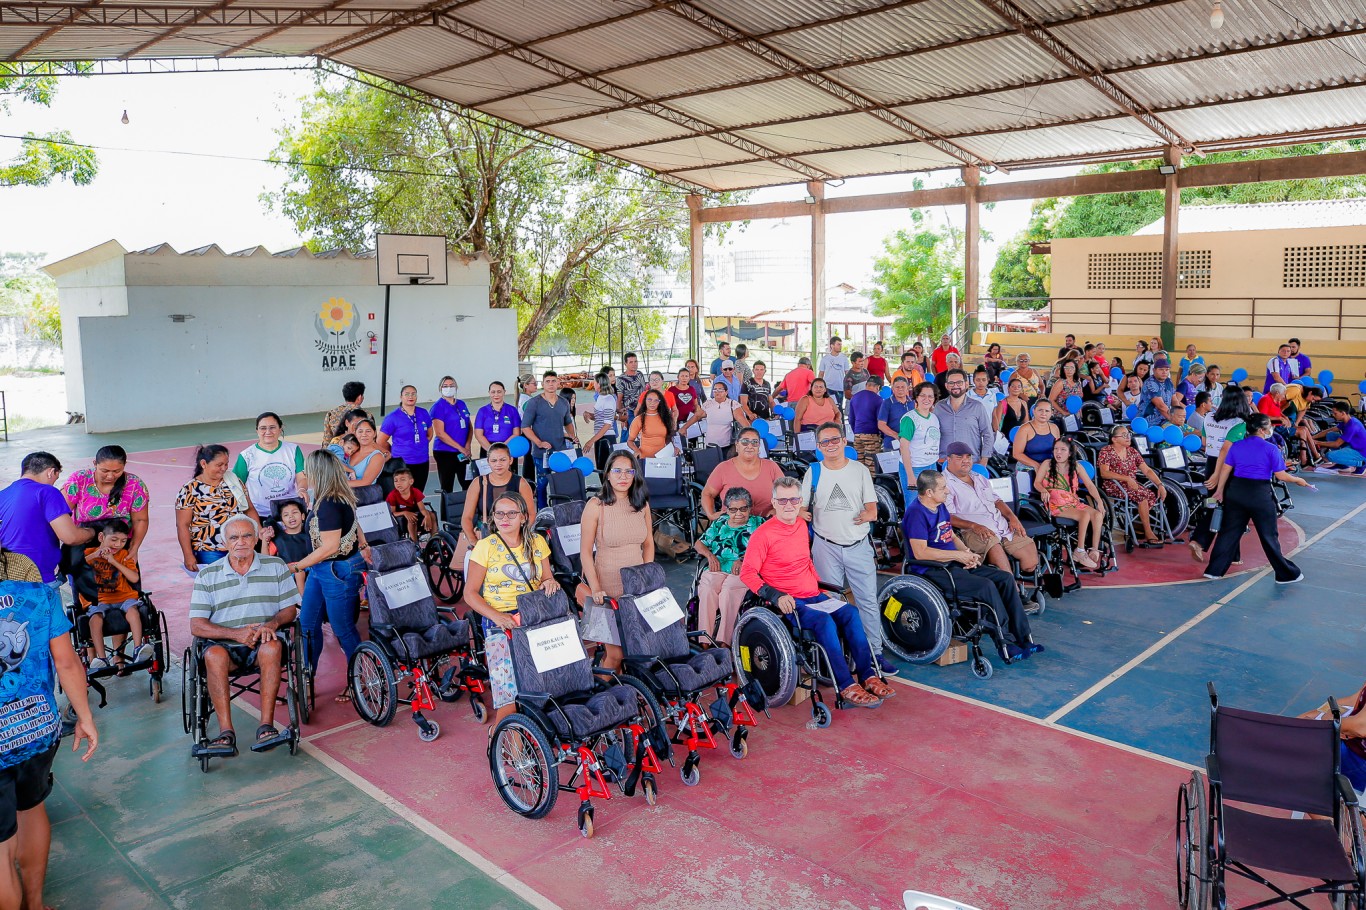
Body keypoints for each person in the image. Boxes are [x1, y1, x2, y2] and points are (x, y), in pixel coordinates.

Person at [739, 476, 888, 707]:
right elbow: (747, 573)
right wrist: (775, 596)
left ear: (800, 501)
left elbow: (806, 562)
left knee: (851, 613)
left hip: (814, 595)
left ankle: (867, 675)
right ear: (774, 502)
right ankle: (846, 684)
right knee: (824, 621)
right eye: (783, 500)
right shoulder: (763, 534)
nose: (789, 505)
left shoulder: (800, 526)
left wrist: (820, 586)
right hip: (789, 601)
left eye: (794, 500)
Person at [0, 580, 97, 910]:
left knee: (0, 851)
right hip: (37, 728)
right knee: (31, 807)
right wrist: (84, 716)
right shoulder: (39, 594)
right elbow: (67, 661)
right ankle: (36, 904)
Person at [188, 512, 299, 754]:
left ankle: (266, 727)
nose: (241, 542)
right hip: (225, 646)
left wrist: (272, 624)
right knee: (213, 656)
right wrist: (236, 634)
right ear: (224, 542)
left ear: (256, 538)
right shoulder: (208, 575)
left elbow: (290, 609)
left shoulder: (275, 566)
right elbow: (196, 625)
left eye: (247, 536)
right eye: (234, 537)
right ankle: (226, 733)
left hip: (263, 641)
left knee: (273, 647)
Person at [901, 470, 1037, 663]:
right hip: (932, 569)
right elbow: (921, 552)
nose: (948, 491)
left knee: (1004, 578)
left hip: (953, 562)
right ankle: (1006, 642)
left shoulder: (939, 507)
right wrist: (958, 555)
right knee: (986, 586)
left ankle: (1024, 637)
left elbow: (951, 535)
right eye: (943, 488)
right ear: (929, 492)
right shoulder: (916, 513)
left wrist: (967, 552)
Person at [802, 422, 894, 674]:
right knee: (829, 603)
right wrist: (802, 515)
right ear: (818, 447)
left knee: (867, 601)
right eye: (824, 442)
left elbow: (873, 509)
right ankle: (838, 655)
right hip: (825, 546)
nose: (830, 445)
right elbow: (802, 507)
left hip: (858, 546)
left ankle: (875, 653)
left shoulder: (859, 470)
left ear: (844, 441)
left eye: (834, 440)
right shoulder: (813, 471)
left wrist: (867, 515)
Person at [464, 490, 559, 726]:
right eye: (499, 514)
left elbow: (547, 577)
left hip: (534, 618)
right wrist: (497, 617)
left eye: (512, 513)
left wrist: (550, 581)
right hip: (500, 622)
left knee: (540, 681)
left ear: (524, 517)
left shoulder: (537, 542)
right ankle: (502, 741)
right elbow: (470, 593)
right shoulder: (485, 546)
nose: (505, 519)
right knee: (507, 689)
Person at [291, 451, 367, 700]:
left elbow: (330, 547)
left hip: (335, 569)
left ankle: (360, 679)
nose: (305, 475)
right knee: (308, 623)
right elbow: (356, 527)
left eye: (308, 471)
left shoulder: (330, 503)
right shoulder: (332, 497)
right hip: (324, 569)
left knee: (342, 627)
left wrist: (298, 566)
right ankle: (306, 673)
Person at [1204, 413, 1311, 582]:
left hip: (1236, 491)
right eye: (1269, 426)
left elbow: (1225, 470)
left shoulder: (1237, 446)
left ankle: (1214, 570)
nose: (1271, 429)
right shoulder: (1271, 449)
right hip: (1259, 494)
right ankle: (1285, 574)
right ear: (1262, 430)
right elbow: (1281, 476)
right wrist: (1298, 480)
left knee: (1229, 532)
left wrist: (1219, 491)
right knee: (1268, 536)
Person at [580, 451, 653, 671]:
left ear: (635, 475)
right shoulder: (595, 505)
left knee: (640, 647)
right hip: (606, 588)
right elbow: (585, 552)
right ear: (608, 475)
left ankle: (627, 693)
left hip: (636, 587)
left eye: (629, 471)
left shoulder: (642, 504)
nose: (623, 476)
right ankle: (605, 698)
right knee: (616, 655)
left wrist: (648, 578)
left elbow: (649, 543)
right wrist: (596, 589)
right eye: (617, 471)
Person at [0, 453, 95, 587]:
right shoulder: (47, 492)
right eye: (55, 479)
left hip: (6, 579)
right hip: (37, 577)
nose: (53, 483)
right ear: (50, 472)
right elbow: (70, 537)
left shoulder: (2, 495)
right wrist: (92, 532)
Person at [943, 443, 1039, 576]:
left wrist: (1012, 518)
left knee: (1030, 564)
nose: (966, 460)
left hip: (1001, 526)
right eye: (959, 457)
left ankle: (1010, 581)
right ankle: (1013, 590)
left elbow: (997, 500)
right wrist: (974, 525)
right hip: (973, 531)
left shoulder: (979, 477)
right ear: (949, 459)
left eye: (969, 457)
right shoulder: (944, 483)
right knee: (998, 554)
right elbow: (947, 516)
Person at [1189, 385, 1254, 562]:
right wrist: (1219, 475)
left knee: (1214, 505)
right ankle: (1203, 542)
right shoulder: (1238, 423)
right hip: (1227, 467)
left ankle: (1207, 543)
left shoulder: (1209, 417)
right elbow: (1226, 450)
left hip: (1209, 462)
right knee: (1233, 510)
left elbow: (1203, 441)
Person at [80, 519, 151, 673]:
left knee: (133, 611)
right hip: (99, 599)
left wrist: (113, 561)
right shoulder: (88, 554)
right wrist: (94, 556)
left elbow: (134, 578)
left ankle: (138, 648)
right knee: (95, 618)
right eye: (114, 540)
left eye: (123, 541)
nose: (118, 545)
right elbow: (75, 568)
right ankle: (102, 658)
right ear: (101, 538)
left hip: (124, 597)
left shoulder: (124, 554)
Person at [693, 487, 762, 644]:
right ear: (726, 509)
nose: (738, 514)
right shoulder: (720, 522)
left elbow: (768, 549)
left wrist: (744, 559)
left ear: (750, 508)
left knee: (728, 591)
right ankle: (704, 641)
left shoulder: (758, 524)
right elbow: (698, 544)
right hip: (716, 568)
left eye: (743, 509)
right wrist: (710, 556)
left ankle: (725, 642)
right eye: (733, 510)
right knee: (708, 589)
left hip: (744, 570)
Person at [59, 445, 150, 562]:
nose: (110, 476)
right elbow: (61, 514)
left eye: (117, 471)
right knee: (85, 578)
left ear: (124, 465)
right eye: (105, 471)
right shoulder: (79, 480)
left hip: (118, 545)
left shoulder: (134, 484)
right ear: (95, 463)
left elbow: (140, 520)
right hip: (84, 542)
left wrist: (134, 547)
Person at [175, 445, 255, 574]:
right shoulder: (189, 490)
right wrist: (188, 555)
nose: (224, 468)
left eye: (226, 464)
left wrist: (257, 535)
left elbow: (249, 509)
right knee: (218, 586)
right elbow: (182, 525)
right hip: (210, 550)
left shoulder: (233, 481)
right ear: (203, 464)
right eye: (219, 465)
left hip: (240, 546)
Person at [1035, 437, 1106, 570]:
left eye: (1063, 449)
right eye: (1056, 449)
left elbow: (1090, 486)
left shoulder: (1077, 466)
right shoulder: (1047, 464)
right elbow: (1037, 482)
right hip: (1055, 504)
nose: (1058, 452)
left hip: (1072, 502)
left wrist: (1100, 502)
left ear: (1070, 452)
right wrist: (1043, 490)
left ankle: (1094, 550)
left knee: (1097, 514)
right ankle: (1079, 551)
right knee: (1084, 515)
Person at [1097, 425, 1167, 545]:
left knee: (1151, 493)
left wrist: (1160, 484)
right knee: (1142, 497)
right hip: (1114, 485)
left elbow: (1147, 470)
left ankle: (1138, 524)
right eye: (1124, 435)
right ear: (1114, 439)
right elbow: (1104, 473)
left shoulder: (1132, 451)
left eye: (1128, 434)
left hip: (1131, 485)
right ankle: (1148, 532)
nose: (1128, 437)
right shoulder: (1106, 451)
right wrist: (1127, 478)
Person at [699, 427, 785, 520]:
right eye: (745, 441)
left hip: (767, 523)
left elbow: (786, 493)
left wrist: (777, 510)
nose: (750, 446)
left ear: (759, 446)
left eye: (754, 442)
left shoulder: (771, 466)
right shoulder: (723, 468)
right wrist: (711, 514)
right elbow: (707, 494)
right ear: (737, 445)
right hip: (733, 526)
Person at [233, 411, 306, 519]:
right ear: (257, 431)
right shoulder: (246, 455)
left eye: (272, 427)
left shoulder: (293, 449)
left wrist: (302, 489)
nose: (268, 432)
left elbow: (302, 477)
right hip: (261, 514)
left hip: (290, 512)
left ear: (280, 429)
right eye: (263, 428)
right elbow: (236, 485)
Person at [460, 443, 535, 545]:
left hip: (514, 537)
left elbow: (530, 514)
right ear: (488, 462)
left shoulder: (521, 483)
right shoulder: (478, 483)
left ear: (511, 460)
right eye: (494, 460)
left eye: (503, 460)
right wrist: (474, 542)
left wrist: (521, 536)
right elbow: (466, 518)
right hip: (486, 538)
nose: (498, 464)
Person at [522, 371, 577, 509]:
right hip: (541, 453)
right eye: (548, 381)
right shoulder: (534, 403)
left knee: (561, 482)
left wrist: (572, 435)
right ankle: (542, 509)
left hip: (561, 451)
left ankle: (561, 508)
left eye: (554, 381)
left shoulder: (564, 402)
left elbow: (568, 422)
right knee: (542, 483)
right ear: (543, 384)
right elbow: (525, 427)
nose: (551, 384)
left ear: (558, 383)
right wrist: (539, 442)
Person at [379, 385, 434, 493]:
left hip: (422, 461)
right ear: (401, 397)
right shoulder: (393, 417)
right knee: (403, 494)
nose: (411, 396)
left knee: (418, 493)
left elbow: (429, 434)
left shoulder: (423, 413)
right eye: (407, 394)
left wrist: (419, 446)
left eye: (413, 393)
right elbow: (380, 441)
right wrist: (392, 452)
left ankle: (416, 510)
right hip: (403, 463)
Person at [934, 369, 993, 463]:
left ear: (966, 384)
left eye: (959, 382)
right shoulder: (939, 407)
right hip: (944, 463)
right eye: (951, 383)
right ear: (946, 386)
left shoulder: (977, 407)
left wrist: (984, 461)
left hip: (971, 463)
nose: (955, 386)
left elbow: (988, 434)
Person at [431, 376, 475, 492]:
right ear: (440, 388)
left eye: (451, 385)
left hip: (463, 452)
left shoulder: (461, 404)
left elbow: (469, 426)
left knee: (468, 485)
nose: (449, 388)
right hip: (445, 452)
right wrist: (461, 448)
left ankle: (468, 510)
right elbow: (440, 433)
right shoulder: (437, 407)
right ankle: (446, 510)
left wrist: (467, 445)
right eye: (445, 386)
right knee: (447, 487)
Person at [261, 499, 312, 595]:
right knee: (298, 573)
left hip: (309, 571)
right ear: (282, 521)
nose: (291, 516)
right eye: (286, 515)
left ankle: (303, 602)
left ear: (303, 516)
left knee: (300, 572)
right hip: (287, 573)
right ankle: (302, 601)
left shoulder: (309, 535)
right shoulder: (278, 539)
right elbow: (265, 559)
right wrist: (265, 540)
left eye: (294, 512)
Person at [684, 379, 749, 449]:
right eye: (715, 390)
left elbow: (744, 422)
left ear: (726, 392)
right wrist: (684, 428)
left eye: (720, 390)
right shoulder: (708, 404)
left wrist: (751, 437)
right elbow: (696, 416)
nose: (717, 392)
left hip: (727, 445)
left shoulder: (733, 404)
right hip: (710, 444)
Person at [899, 381, 942, 481]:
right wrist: (910, 476)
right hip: (915, 468)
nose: (927, 399)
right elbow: (903, 447)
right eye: (923, 395)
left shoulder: (934, 418)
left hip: (932, 465)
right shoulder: (909, 419)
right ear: (916, 397)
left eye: (930, 396)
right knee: (915, 497)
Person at [473, 380, 521, 457]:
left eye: (499, 391)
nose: (496, 395)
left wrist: (503, 448)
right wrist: (491, 450)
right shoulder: (482, 411)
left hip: (508, 448)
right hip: (487, 448)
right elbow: (478, 434)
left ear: (504, 392)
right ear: (489, 393)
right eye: (493, 392)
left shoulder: (512, 410)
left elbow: (516, 433)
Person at [387, 467, 434, 543]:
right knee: (412, 519)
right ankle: (415, 543)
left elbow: (422, 509)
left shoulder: (415, 491)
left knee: (432, 514)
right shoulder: (392, 495)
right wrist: (405, 513)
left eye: (402, 480)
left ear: (411, 481)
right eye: (396, 481)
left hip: (415, 512)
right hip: (401, 516)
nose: (398, 483)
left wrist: (427, 515)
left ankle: (434, 539)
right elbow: (393, 513)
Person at [1317, 400, 1366, 474]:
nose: (1333, 415)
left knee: (1329, 456)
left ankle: (1361, 463)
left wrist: (1317, 443)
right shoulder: (1347, 420)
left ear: (1343, 413)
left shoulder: (1352, 426)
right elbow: (1331, 430)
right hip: (1353, 445)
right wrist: (1313, 437)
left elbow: (1336, 444)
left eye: (1335, 413)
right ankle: (1342, 465)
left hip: (1361, 452)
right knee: (1330, 435)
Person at [582, 371, 619, 470]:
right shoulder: (601, 398)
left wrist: (591, 441)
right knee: (601, 468)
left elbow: (607, 424)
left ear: (599, 383)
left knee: (605, 469)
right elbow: (601, 417)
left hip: (606, 437)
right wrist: (590, 415)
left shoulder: (608, 399)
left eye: (594, 382)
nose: (593, 384)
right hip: (601, 437)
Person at [628, 388, 677, 458]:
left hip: (663, 459)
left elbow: (668, 438)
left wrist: (674, 448)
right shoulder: (639, 419)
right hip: (645, 459)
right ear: (645, 401)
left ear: (660, 402)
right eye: (649, 400)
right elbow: (630, 441)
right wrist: (636, 450)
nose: (652, 403)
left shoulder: (665, 418)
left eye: (656, 400)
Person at [848, 374, 884, 469]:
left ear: (866, 384)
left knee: (859, 464)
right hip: (872, 435)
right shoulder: (878, 400)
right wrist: (882, 436)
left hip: (857, 434)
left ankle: (859, 483)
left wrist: (856, 431)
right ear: (878, 387)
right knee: (871, 465)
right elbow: (880, 421)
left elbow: (851, 419)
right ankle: (870, 483)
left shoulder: (854, 397)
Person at [1012, 399, 1058, 472]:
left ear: (1051, 413)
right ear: (1034, 411)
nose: (1043, 413)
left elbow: (1057, 449)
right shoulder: (1024, 429)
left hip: (1048, 467)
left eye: (1047, 411)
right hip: (1028, 468)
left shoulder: (1054, 428)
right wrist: (1036, 465)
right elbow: (1016, 454)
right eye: (1040, 410)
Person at [346, 418, 388, 488]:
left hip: (362, 494)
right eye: (360, 431)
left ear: (374, 433)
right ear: (355, 434)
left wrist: (338, 484)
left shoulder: (377, 456)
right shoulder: (351, 451)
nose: (364, 434)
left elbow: (365, 482)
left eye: (368, 431)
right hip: (342, 492)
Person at [877, 376, 913, 452]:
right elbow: (881, 424)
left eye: (903, 387)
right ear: (892, 389)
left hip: (911, 445)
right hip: (892, 445)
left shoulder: (913, 402)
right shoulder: (887, 403)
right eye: (897, 387)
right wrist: (897, 436)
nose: (900, 389)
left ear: (908, 388)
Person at [1140, 358, 1176, 425]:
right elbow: (1161, 406)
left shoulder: (1168, 381)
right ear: (1154, 370)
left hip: (1165, 419)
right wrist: (1174, 420)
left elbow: (1175, 401)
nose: (1164, 372)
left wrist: (1180, 415)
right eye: (1161, 369)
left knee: (1190, 430)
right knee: (1178, 432)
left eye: (1167, 370)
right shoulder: (1150, 383)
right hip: (1150, 422)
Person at [668, 367, 704, 432]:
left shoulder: (691, 389)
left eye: (686, 376)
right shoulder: (672, 390)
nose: (684, 378)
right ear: (678, 377)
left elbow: (696, 404)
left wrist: (697, 414)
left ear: (689, 378)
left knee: (693, 441)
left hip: (691, 421)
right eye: (682, 376)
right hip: (677, 422)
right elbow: (668, 407)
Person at [817, 336, 850, 406]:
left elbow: (847, 373)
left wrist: (848, 386)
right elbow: (821, 373)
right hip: (828, 387)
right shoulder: (825, 359)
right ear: (832, 345)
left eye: (841, 344)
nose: (840, 346)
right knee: (828, 406)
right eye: (838, 344)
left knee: (838, 407)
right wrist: (819, 386)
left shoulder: (844, 358)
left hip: (840, 387)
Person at [616, 352, 647, 422]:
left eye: (635, 361)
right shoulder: (621, 379)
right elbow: (619, 399)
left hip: (642, 409)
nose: (634, 364)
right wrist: (621, 416)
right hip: (629, 411)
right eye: (631, 362)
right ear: (625, 364)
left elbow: (644, 391)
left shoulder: (640, 374)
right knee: (628, 432)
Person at [999, 377, 1029, 441]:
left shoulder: (1023, 403)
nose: (1016, 388)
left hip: (1020, 438)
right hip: (1005, 437)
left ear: (1021, 389)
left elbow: (1026, 422)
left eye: (1019, 386)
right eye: (1013, 386)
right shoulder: (1002, 403)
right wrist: (999, 434)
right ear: (1008, 388)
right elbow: (997, 422)